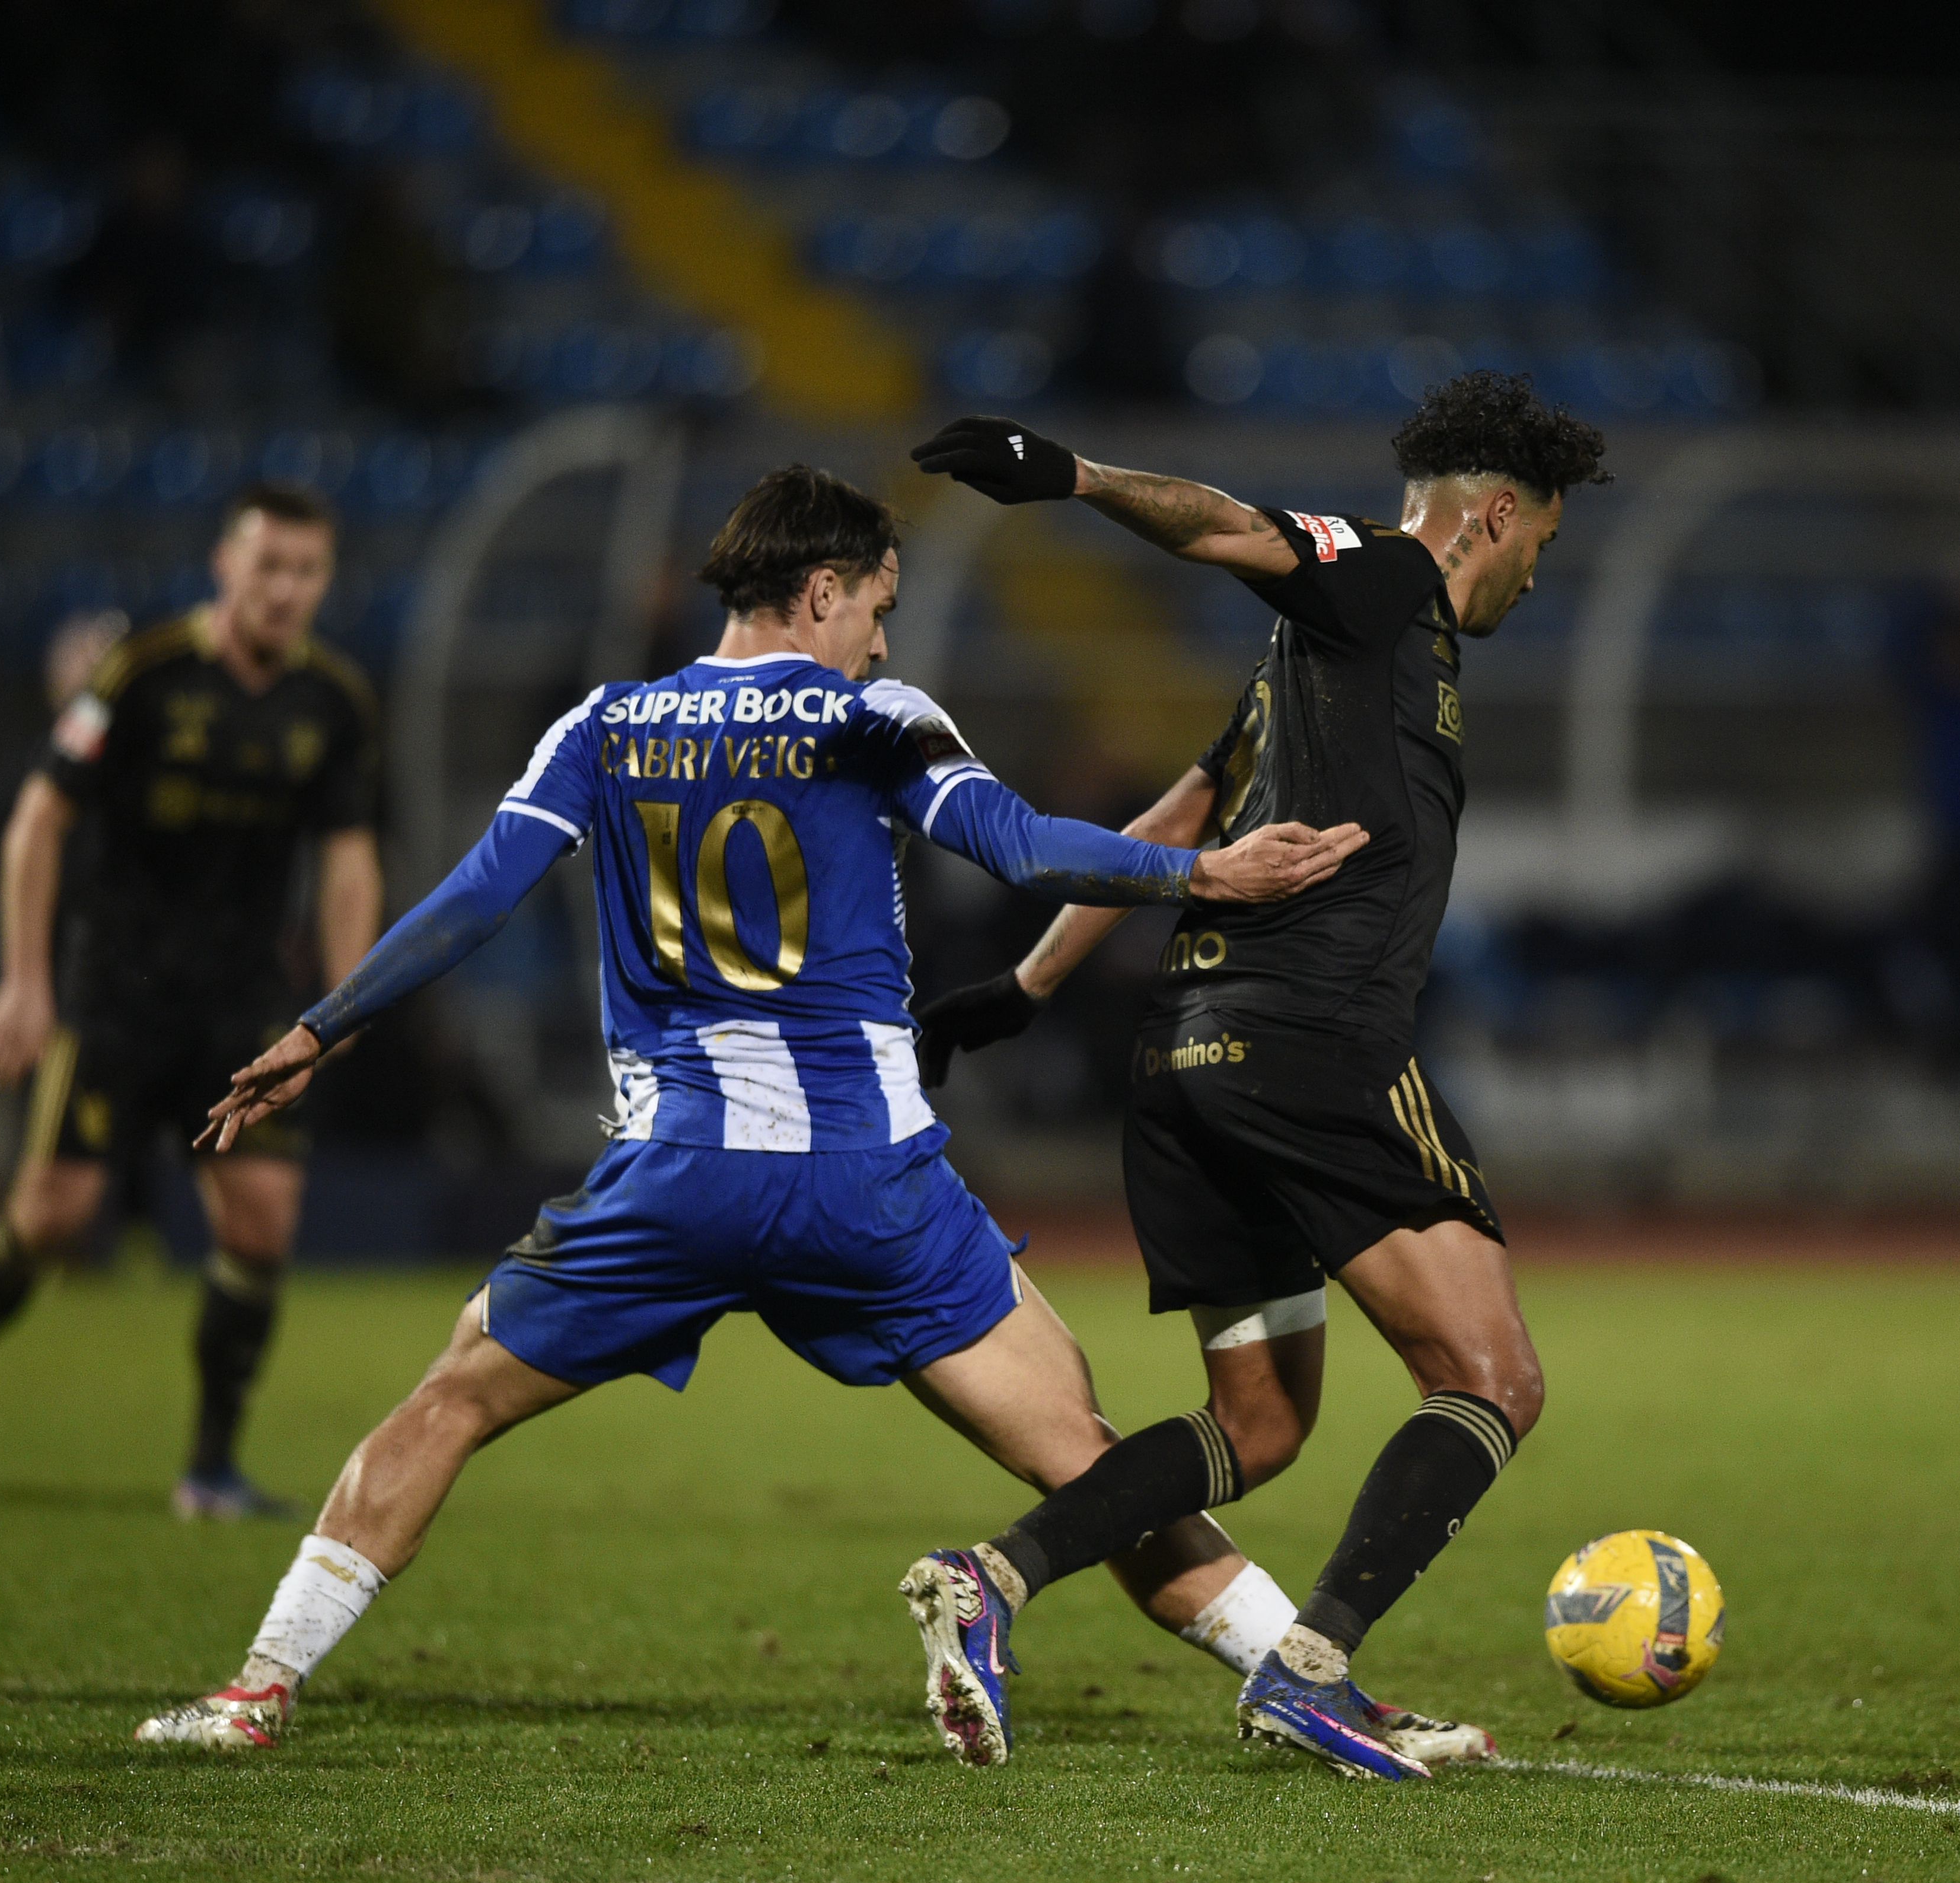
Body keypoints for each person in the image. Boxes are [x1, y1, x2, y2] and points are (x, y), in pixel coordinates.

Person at [127, 466, 1484, 1762]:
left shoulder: (605, 724)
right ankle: (1315, 1684)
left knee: (447, 1404)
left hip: (675, 1181)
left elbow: (476, 895)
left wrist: (319, 1028)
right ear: (825, 590)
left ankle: (257, 1687)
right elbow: (1015, 842)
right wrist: (1206, 869)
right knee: (1096, 1463)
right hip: (871, 1188)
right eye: (880, 608)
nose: (884, 642)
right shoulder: (874, 721)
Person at [903, 371, 1609, 1781]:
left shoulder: (1321, 677)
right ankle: (1315, 1664)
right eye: (1545, 543)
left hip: (1188, 1056)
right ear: (1498, 512)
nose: (1540, 576)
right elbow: (1233, 530)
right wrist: (1078, 474)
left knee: (1262, 1421)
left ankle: (992, 1577)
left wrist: (1027, 988)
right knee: (1494, 1376)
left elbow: (1175, 818)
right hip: (1317, 1041)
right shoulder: (1391, 580)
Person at [0, 485, 382, 1521]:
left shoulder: (333, 703)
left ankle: (210, 1470)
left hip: (242, 1003)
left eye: (305, 571)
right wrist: (26, 979)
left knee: (263, 1222)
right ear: (224, 567)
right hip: (119, 992)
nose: (284, 590)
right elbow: (36, 823)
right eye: (267, 566)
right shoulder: (138, 674)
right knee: (55, 1216)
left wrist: (343, 1000)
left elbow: (350, 859)